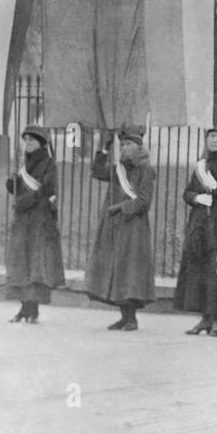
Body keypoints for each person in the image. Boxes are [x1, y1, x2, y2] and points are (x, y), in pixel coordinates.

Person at [87, 126, 156, 331]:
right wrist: (105, 147)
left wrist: (120, 208)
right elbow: (97, 172)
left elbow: (144, 201)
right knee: (116, 269)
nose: (124, 148)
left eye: (128, 144)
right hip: (115, 225)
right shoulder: (119, 169)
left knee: (130, 271)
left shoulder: (146, 170)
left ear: (139, 147)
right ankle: (124, 317)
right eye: (122, 144)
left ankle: (132, 318)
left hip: (133, 226)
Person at [175, 127, 217, 336]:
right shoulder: (200, 166)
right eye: (211, 137)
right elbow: (187, 192)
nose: (214, 141)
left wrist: (216, 188)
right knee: (200, 274)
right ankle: (205, 319)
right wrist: (196, 198)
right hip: (200, 227)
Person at [3, 125, 66, 323]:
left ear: (41, 143)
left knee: (35, 263)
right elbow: (19, 188)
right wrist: (12, 183)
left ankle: (34, 308)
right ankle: (23, 308)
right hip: (23, 219)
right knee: (21, 262)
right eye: (26, 140)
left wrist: (26, 200)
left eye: (32, 140)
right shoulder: (25, 164)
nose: (27, 143)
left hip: (39, 218)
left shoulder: (49, 163)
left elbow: (47, 188)